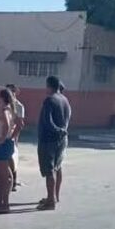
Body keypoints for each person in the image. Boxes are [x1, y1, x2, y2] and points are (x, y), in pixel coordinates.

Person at [37, 76, 72, 211]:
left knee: (49, 169)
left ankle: (50, 201)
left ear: (49, 86)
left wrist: (57, 130)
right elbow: (69, 117)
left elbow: (47, 121)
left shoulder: (50, 100)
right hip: (62, 139)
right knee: (58, 166)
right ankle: (55, 196)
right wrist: (63, 130)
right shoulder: (65, 100)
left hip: (49, 139)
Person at [0, 88, 16, 214]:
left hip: (3, 145)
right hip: (3, 144)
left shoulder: (5, 110)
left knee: (3, 177)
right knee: (1, 176)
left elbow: (6, 125)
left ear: (2, 97)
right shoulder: (7, 110)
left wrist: (2, 138)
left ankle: (4, 204)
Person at [6, 84, 25, 191]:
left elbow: (20, 124)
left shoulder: (19, 106)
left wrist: (14, 137)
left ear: (14, 92)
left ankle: (13, 182)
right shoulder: (6, 104)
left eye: (10, 92)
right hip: (5, 134)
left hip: (13, 135)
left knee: (12, 158)